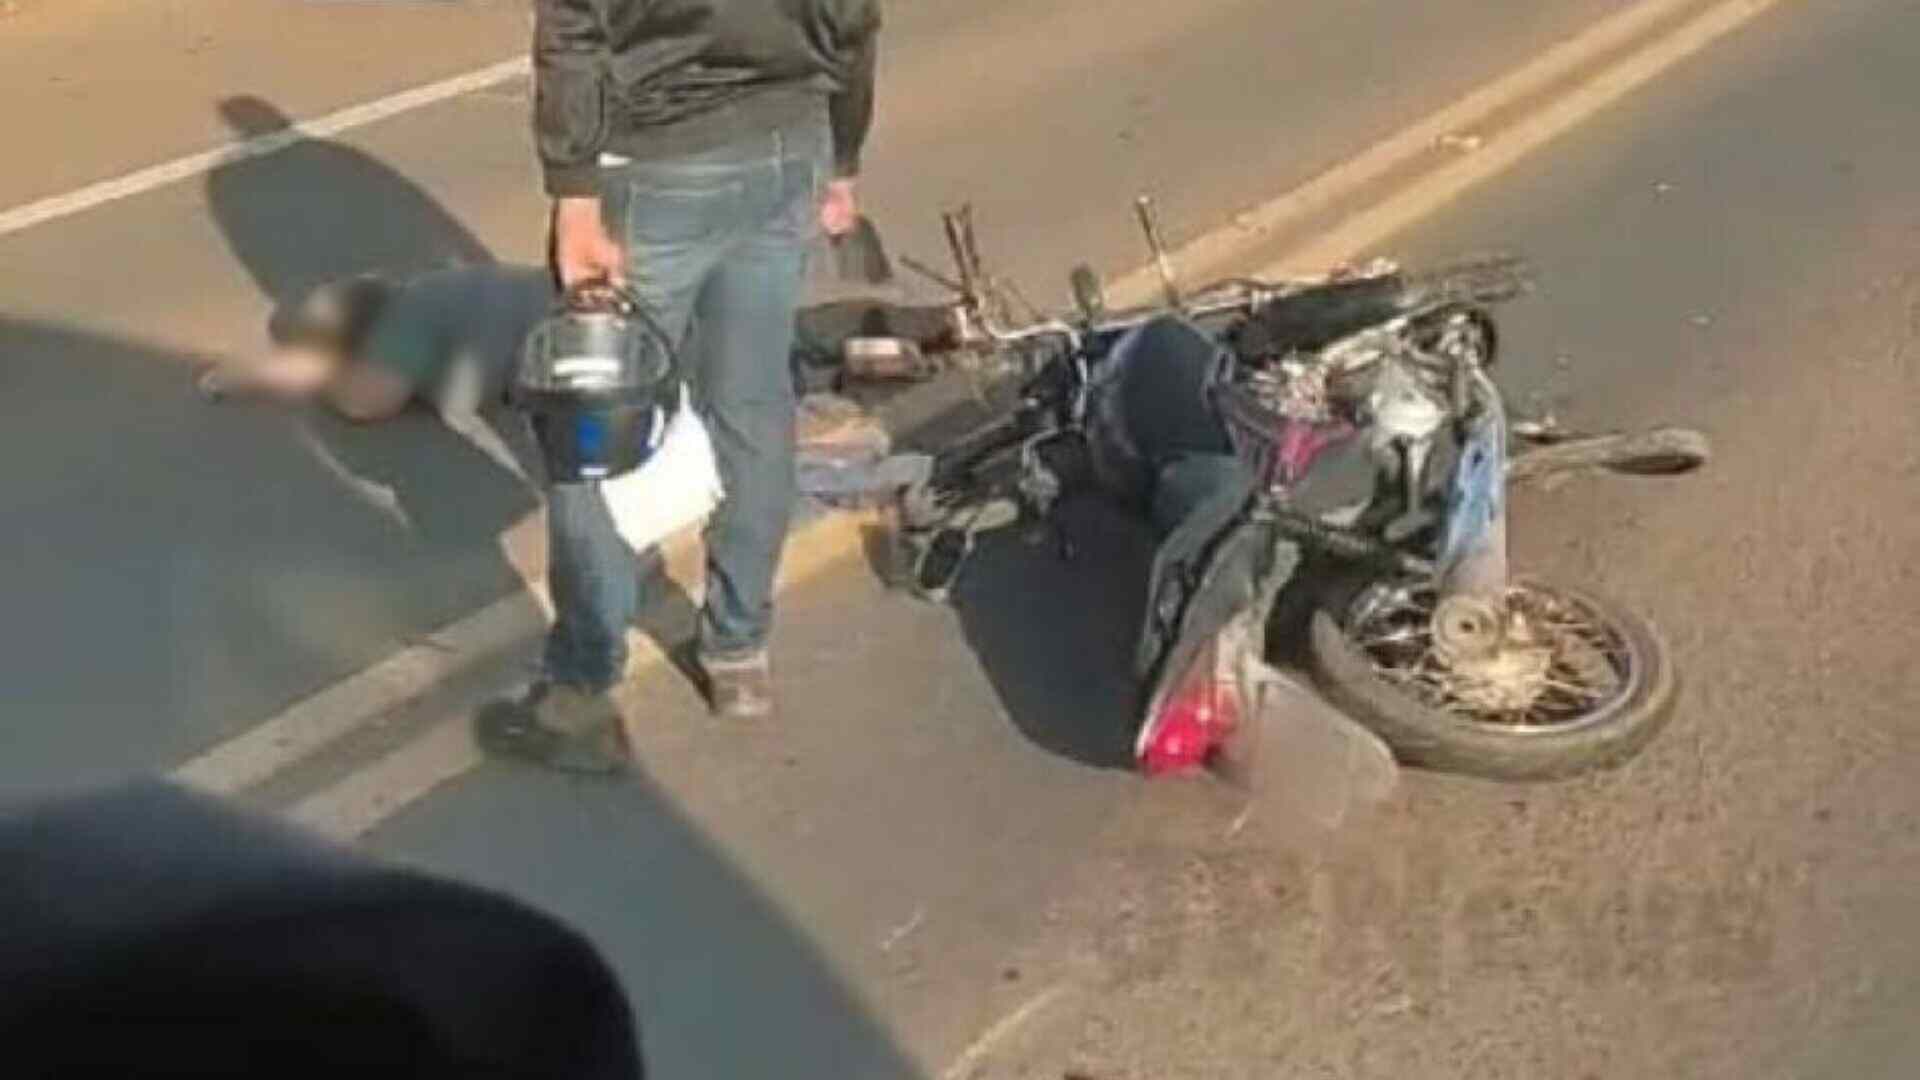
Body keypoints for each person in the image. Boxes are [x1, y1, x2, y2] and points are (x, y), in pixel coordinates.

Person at [480, 0, 883, 771]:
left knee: (592, 416)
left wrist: (573, 190)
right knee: (755, 403)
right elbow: (855, 17)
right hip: (787, 142)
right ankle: (739, 652)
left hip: (654, 159)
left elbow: (574, 27)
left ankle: (581, 683)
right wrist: (842, 158)